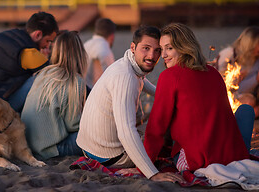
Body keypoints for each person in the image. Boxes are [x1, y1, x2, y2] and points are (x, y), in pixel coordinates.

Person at [76, 26, 184, 183]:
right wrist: (152, 174)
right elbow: (126, 132)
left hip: (90, 146)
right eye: (146, 48)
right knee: (165, 136)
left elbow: (142, 80)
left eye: (157, 50)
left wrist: (165, 95)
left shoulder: (126, 64)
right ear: (133, 47)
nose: (151, 56)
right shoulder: (125, 78)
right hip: (107, 156)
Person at [144, 23, 253, 173]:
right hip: (231, 156)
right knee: (245, 110)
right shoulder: (214, 73)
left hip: (197, 159)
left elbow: (156, 126)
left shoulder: (169, 76)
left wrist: (144, 166)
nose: (163, 55)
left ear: (184, 47)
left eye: (169, 48)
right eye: (161, 49)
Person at [21, 31, 88, 160]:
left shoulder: (45, 73)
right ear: (79, 53)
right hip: (50, 148)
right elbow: (72, 125)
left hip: (29, 144)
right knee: (96, 135)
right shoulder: (75, 81)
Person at [216, 26, 259, 118]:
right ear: (250, 44)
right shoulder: (229, 54)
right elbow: (218, 81)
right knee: (249, 104)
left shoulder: (255, 60)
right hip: (221, 96)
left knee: (250, 102)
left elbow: (243, 89)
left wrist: (255, 79)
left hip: (239, 94)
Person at [84, 18, 116, 88]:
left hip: (80, 91)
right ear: (112, 36)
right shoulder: (104, 49)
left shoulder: (85, 45)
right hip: (93, 93)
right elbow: (99, 78)